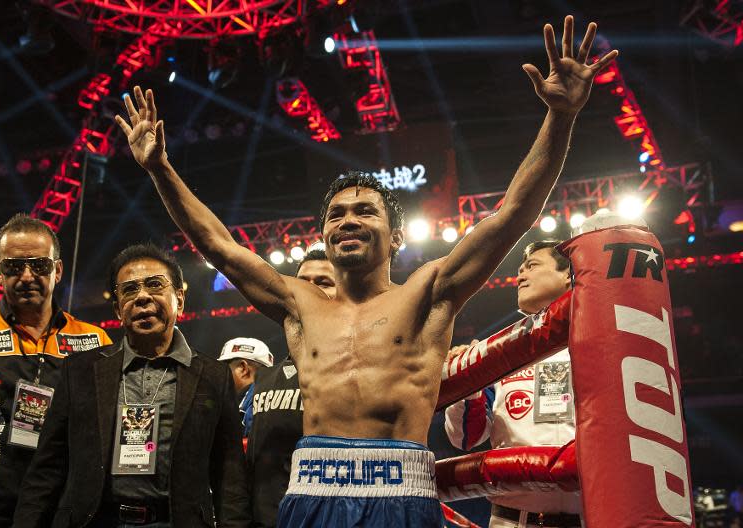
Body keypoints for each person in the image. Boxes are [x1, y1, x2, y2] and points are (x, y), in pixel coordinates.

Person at [115, 16, 617, 527]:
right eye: (336, 214)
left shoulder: (429, 291)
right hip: (311, 491)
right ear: (324, 237)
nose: (348, 220)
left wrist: (561, 117)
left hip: (401, 493)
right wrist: (160, 168)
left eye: (364, 211)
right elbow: (219, 246)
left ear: (396, 236)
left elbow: (512, 213)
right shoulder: (299, 303)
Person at [13, 243, 251, 527]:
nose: (142, 297)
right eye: (129, 290)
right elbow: (47, 469)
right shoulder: (80, 371)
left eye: (154, 285)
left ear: (180, 299)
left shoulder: (214, 375)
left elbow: (230, 474)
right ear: (117, 308)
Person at [0, 213, 112, 527]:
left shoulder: (94, 340)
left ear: (58, 270)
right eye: (13, 266)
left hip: (62, 506)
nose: (26, 276)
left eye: (39, 265)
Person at [444, 240, 579, 528]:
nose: (520, 276)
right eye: (519, 270)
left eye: (532, 266)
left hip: (588, 517)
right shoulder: (498, 352)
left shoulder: (595, 343)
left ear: (568, 274)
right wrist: (469, 383)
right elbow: (467, 438)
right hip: (511, 520)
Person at [244, 249, 336, 527]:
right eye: (302, 281)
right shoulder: (262, 380)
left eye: (323, 282)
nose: (309, 290)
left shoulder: (367, 369)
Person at [218, 336, 274, 428]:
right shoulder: (271, 398)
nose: (219, 375)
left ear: (243, 368)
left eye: (224, 369)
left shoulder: (253, 406)